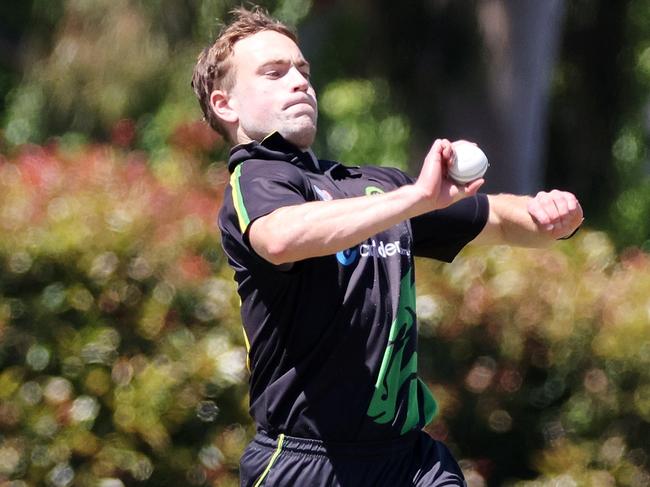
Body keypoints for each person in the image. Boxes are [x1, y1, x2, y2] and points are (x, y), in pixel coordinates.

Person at [191, 7, 583, 487]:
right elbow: (281, 237)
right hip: (308, 462)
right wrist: (414, 199)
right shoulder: (255, 180)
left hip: (408, 459)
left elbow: (499, 221)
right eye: (274, 72)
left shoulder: (375, 186)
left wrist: (551, 218)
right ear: (225, 104)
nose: (299, 82)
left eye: (302, 70)